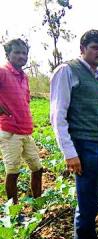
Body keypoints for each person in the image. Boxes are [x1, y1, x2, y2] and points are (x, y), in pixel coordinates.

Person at [50, 30, 98, 239]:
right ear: (83, 47)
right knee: (85, 203)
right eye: (96, 47)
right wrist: (69, 153)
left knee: (95, 200)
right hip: (83, 146)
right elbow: (58, 116)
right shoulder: (67, 71)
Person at [0, 39, 43, 204]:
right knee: (13, 172)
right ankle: (14, 211)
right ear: (8, 54)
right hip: (10, 132)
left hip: (26, 131)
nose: (21, 56)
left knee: (37, 168)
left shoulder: (24, 77)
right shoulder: (2, 71)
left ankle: (38, 204)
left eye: (24, 53)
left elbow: (25, 101)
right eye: (17, 52)